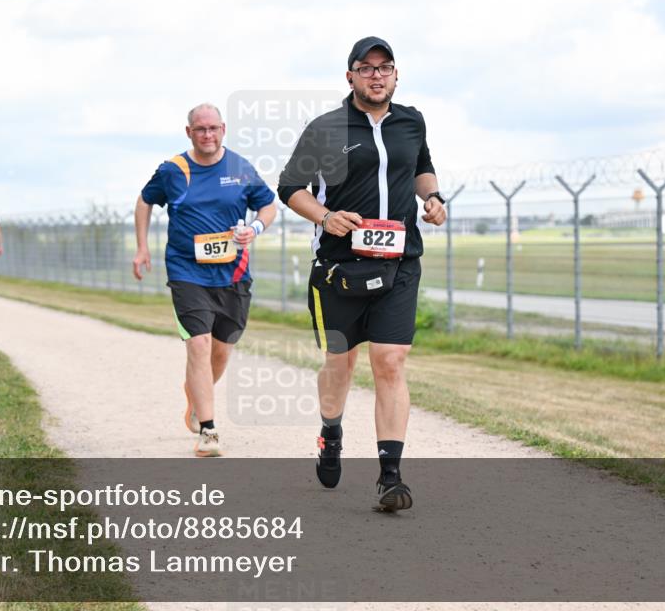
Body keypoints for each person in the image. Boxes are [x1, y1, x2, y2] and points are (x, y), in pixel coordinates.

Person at [277, 37, 447, 512]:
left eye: (385, 67)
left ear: (396, 74)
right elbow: (290, 186)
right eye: (366, 68)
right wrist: (324, 217)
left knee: (390, 361)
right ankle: (331, 432)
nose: (377, 75)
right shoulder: (326, 128)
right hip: (339, 268)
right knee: (341, 364)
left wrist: (432, 199)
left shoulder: (412, 121)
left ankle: (390, 478)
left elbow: (423, 167)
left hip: (400, 262)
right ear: (349, 76)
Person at [133, 103, 277, 457]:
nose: (208, 135)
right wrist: (141, 248)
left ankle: (197, 397)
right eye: (200, 129)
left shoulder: (240, 168)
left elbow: (269, 205)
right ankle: (209, 433)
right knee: (198, 343)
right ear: (189, 132)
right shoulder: (173, 170)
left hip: (233, 273)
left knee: (221, 351)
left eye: (213, 128)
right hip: (186, 271)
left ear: (223, 129)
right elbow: (144, 201)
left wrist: (255, 229)